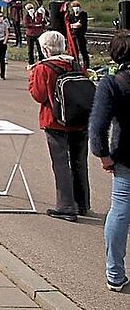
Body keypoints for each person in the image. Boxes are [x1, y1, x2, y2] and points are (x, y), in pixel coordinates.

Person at [28, 30, 90, 223]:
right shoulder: (76, 64)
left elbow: (38, 95)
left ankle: (66, 206)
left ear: (45, 49)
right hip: (80, 120)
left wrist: (31, 77)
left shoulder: (43, 68)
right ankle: (82, 204)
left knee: (61, 163)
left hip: (55, 120)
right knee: (80, 163)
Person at [88, 31, 130, 292]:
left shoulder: (113, 83)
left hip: (126, 154)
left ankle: (115, 273)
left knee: (120, 211)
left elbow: (98, 125)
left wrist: (103, 155)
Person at [70, 0, 91, 69]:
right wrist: (74, 25)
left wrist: (72, 25)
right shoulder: (71, 16)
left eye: (77, 6)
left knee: (83, 51)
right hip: (74, 35)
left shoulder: (83, 14)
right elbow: (70, 25)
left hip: (81, 35)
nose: (76, 8)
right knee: (75, 51)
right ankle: (77, 66)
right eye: (74, 7)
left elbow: (79, 25)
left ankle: (86, 66)